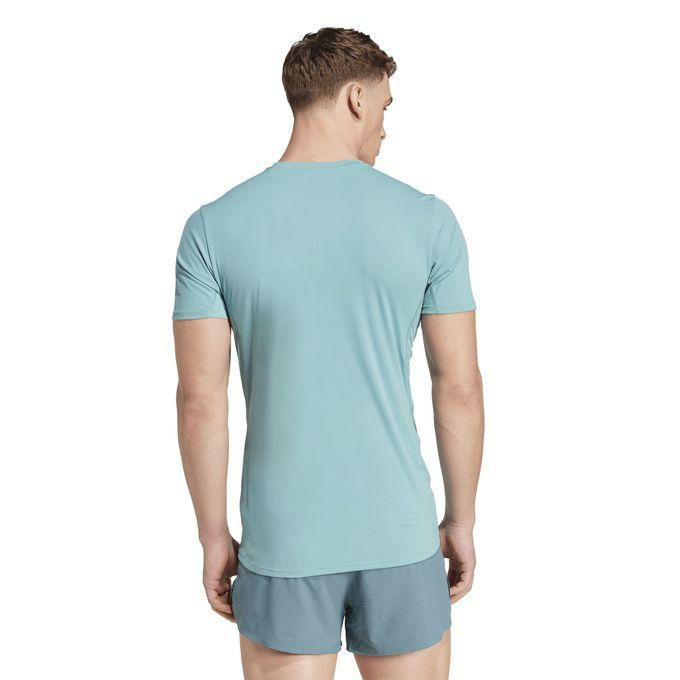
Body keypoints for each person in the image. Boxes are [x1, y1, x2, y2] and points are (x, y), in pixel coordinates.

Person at [173, 27, 484, 680]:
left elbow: (201, 401)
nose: (385, 128)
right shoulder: (429, 220)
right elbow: (457, 387)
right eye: (385, 106)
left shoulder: (211, 228)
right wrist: (460, 519)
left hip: (282, 541)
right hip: (398, 534)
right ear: (355, 98)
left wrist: (213, 536)